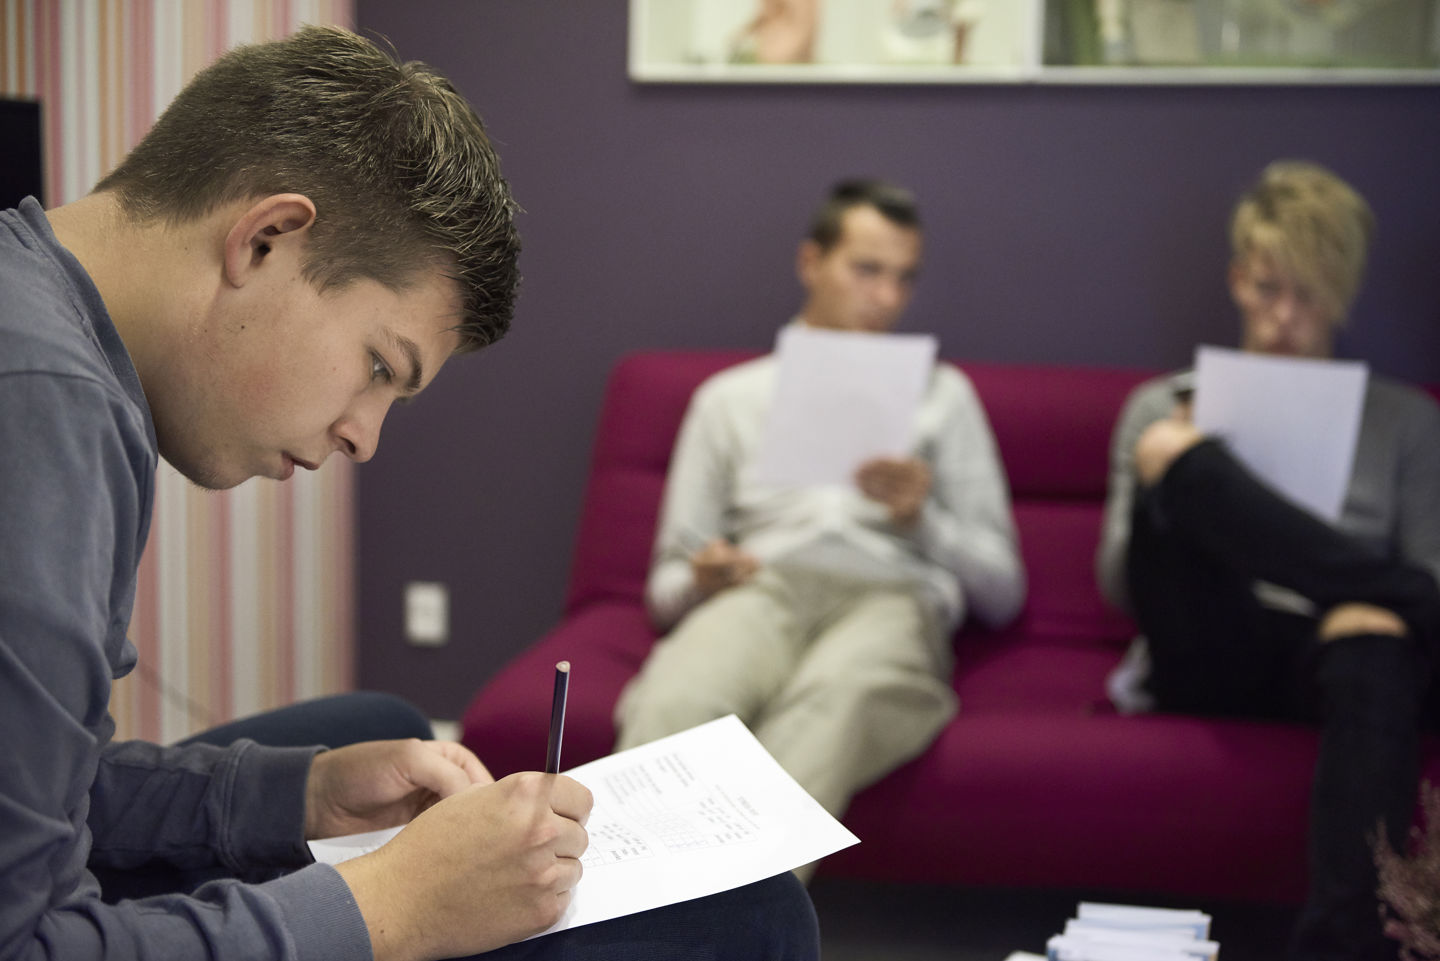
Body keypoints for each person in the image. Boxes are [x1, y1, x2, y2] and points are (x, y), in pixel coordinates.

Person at [0, 25, 818, 961]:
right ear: (265, 239)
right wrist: (392, 906)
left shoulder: (51, 331)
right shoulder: (43, 408)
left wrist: (303, 796)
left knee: (379, 734)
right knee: (743, 911)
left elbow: (43, 798)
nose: (364, 436)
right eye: (380, 366)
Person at [613, 178, 1027, 868]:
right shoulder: (729, 400)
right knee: (675, 698)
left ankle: (736, 920)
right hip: (762, 588)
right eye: (867, 270)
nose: (887, 297)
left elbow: (1003, 593)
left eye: (904, 277)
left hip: (892, 596)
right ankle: (624, 910)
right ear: (811, 263)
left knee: (838, 699)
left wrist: (923, 521)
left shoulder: (945, 396)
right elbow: (664, 591)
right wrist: (703, 579)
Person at [1095, 160, 1440, 961]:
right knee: (1176, 457)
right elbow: (1122, 587)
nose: (1285, 316)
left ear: (1343, 295)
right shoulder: (1160, 405)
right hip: (1207, 638)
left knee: (1378, 643)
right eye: (1267, 289)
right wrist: (1183, 472)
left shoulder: (1406, 422)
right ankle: (1372, 588)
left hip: (1339, 654)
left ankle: (1343, 946)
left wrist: (1360, 610)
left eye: (1309, 295)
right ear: (1237, 280)